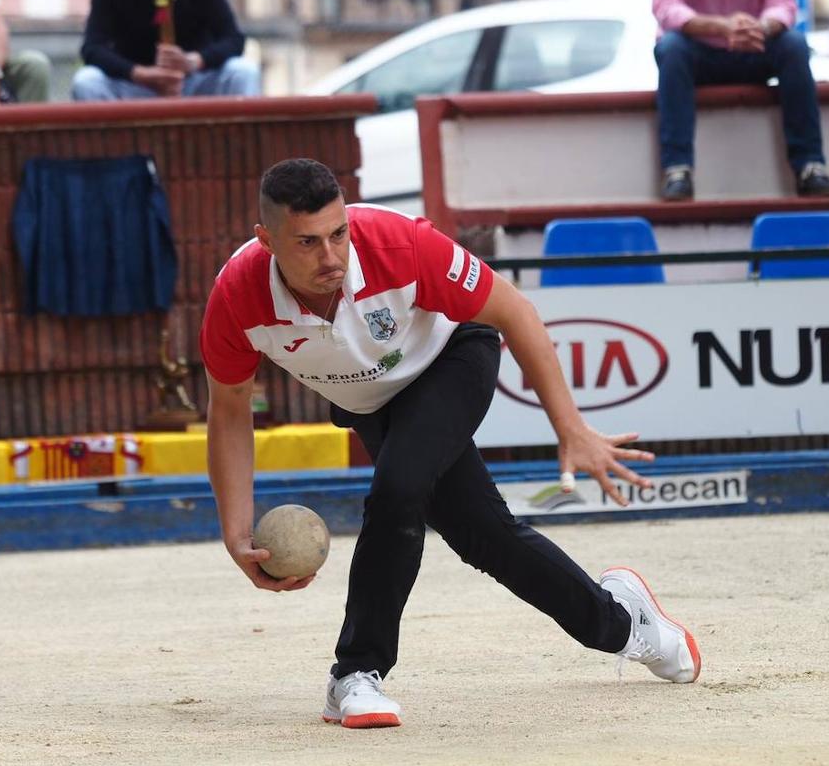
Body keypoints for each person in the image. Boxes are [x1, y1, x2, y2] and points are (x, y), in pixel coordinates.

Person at [200, 158, 701, 729]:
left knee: (399, 488)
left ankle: (355, 673)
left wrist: (572, 429)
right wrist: (235, 533)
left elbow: (515, 311)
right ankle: (623, 623)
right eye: (308, 242)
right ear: (266, 240)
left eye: (338, 234)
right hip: (375, 400)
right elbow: (231, 410)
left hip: (452, 358)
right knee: (485, 536)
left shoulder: (399, 244)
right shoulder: (238, 298)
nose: (332, 256)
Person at [652, 0, 829, 201]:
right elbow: (665, 6)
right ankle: (677, 170)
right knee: (671, 48)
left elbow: (783, 5)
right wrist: (721, 27)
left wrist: (759, 28)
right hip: (697, 49)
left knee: (794, 46)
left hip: (754, 45)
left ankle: (810, 166)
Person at [72, 0, 260, 102]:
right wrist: (138, 73)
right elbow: (92, 48)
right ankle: (114, 162)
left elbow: (234, 39)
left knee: (243, 71)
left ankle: (238, 153)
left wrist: (193, 62)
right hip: (134, 86)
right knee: (87, 82)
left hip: (194, 82)